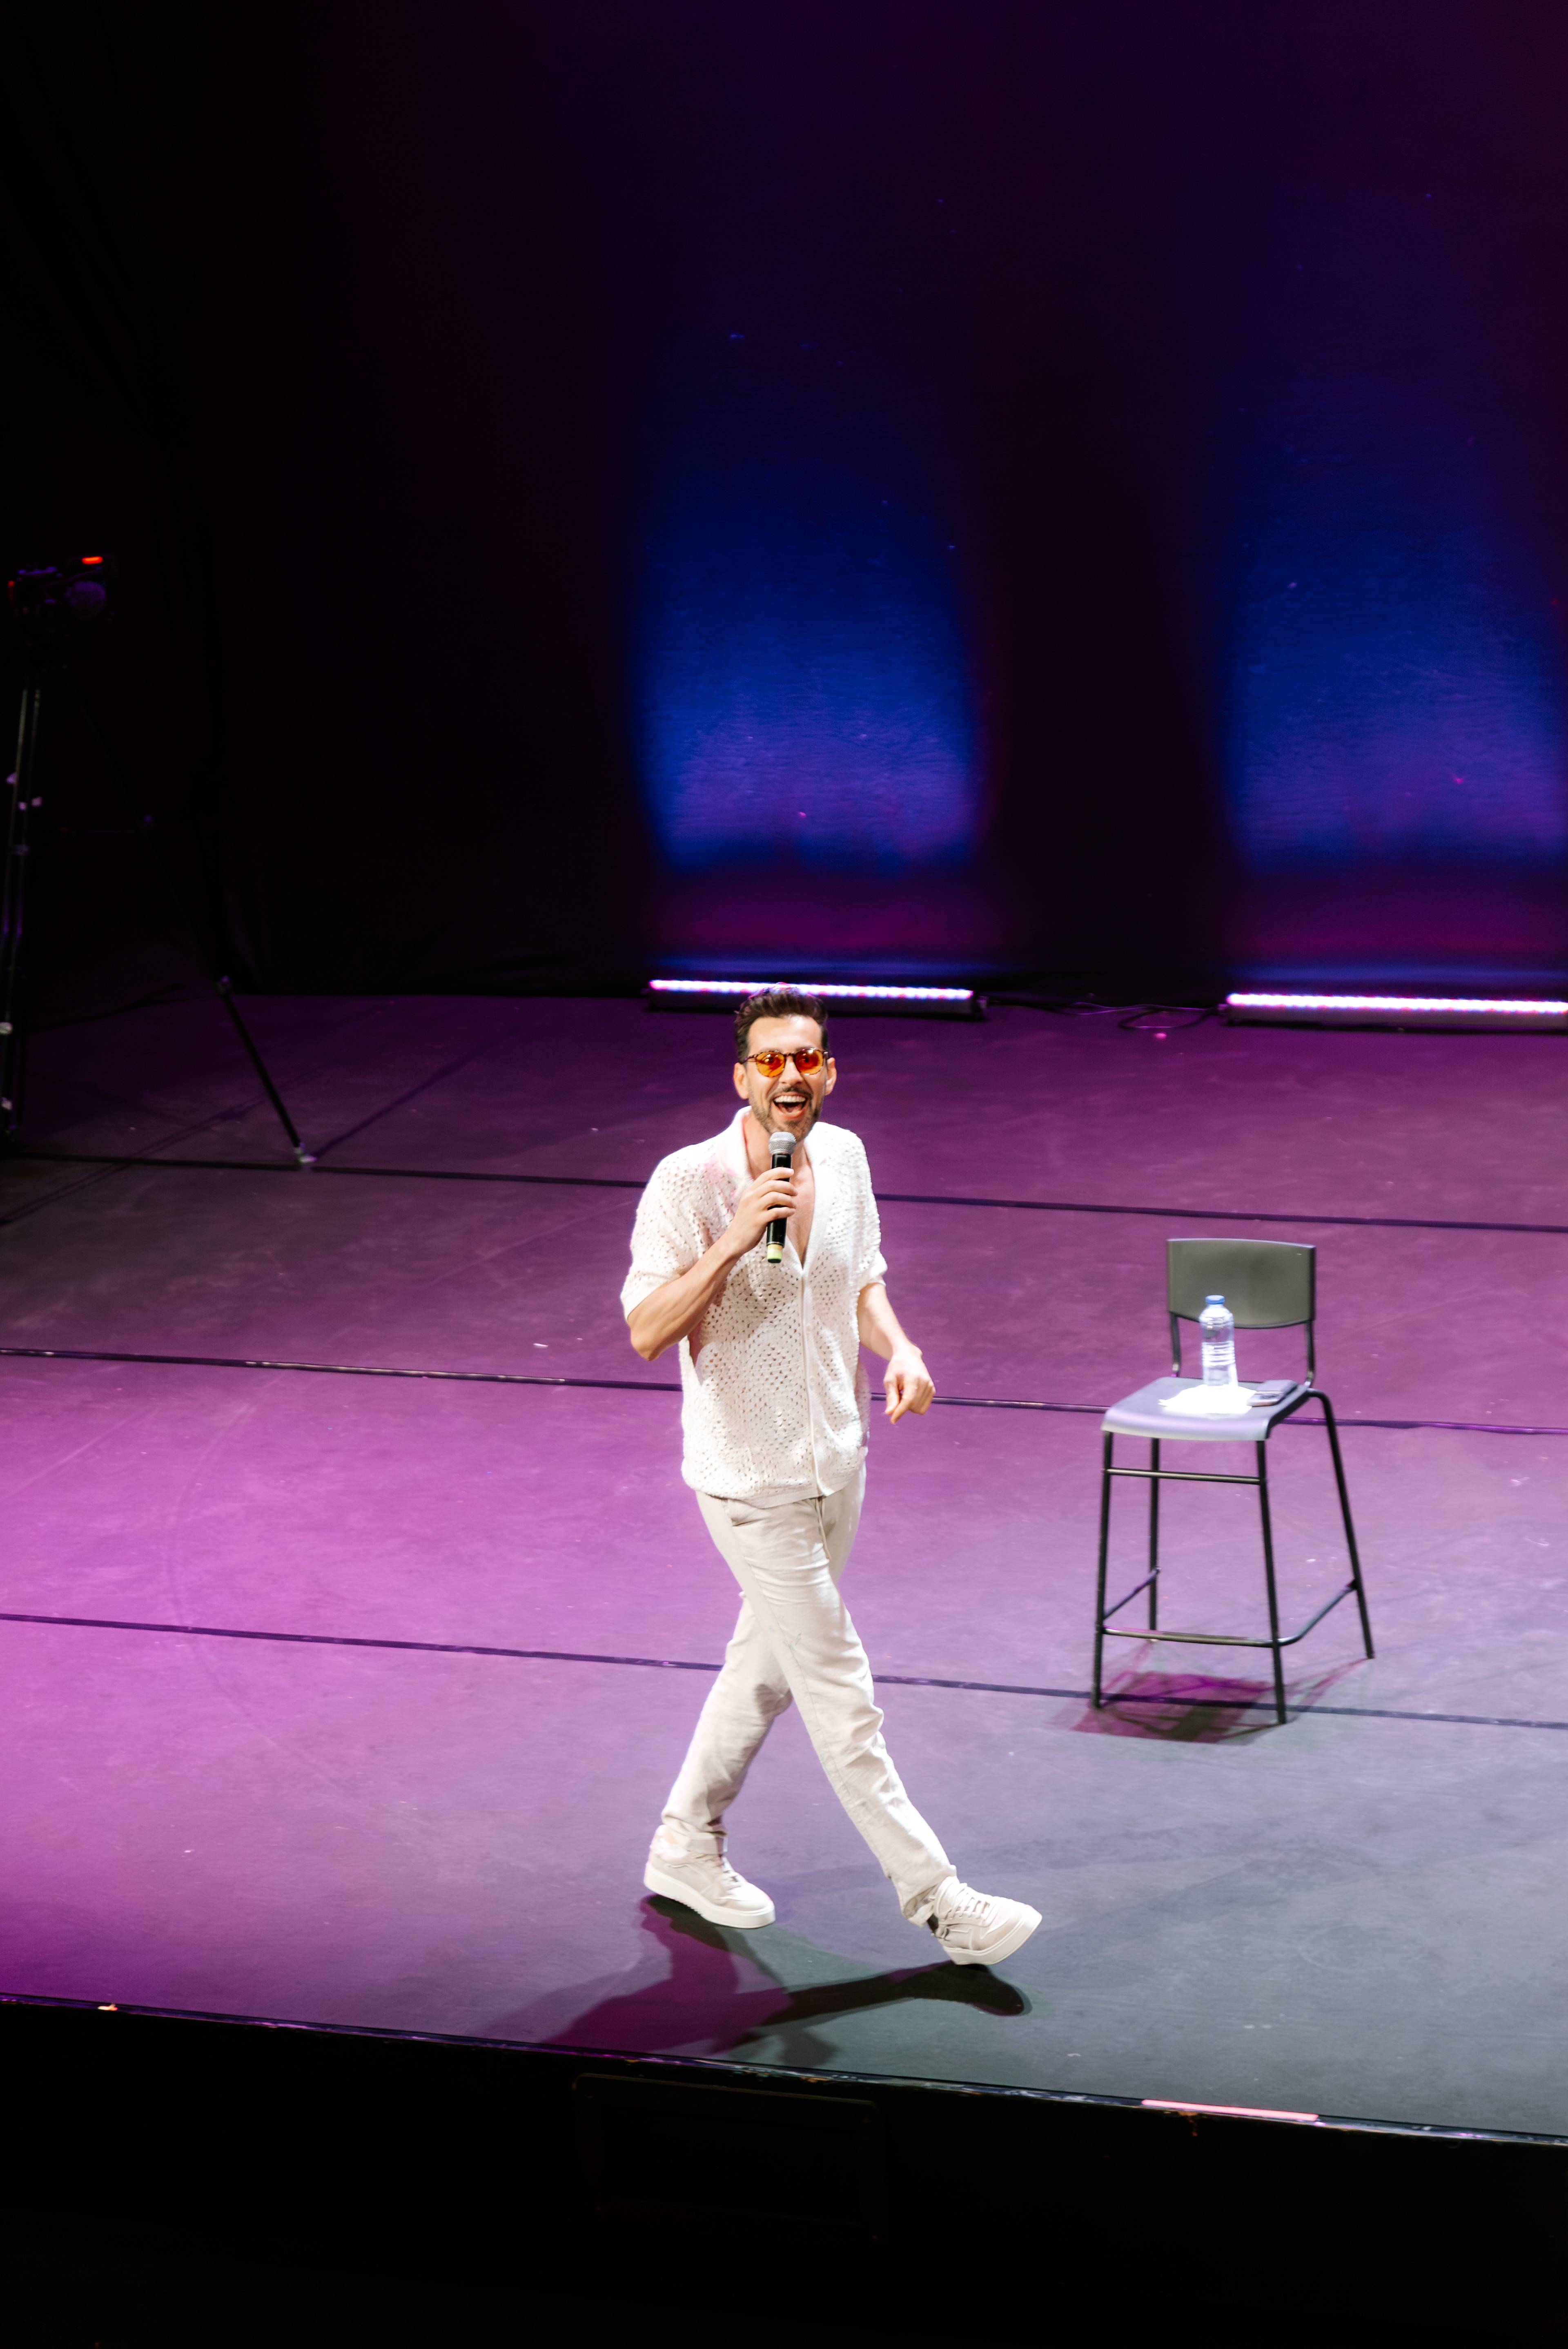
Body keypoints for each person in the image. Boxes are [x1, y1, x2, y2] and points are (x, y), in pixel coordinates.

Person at [621, 987, 1041, 1968]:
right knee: (839, 1688)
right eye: (770, 1060)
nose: (790, 1077)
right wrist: (731, 1238)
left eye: (806, 1058)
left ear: (829, 1070)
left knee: (762, 1673)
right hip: (748, 1481)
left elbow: (861, 1279)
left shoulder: (846, 1156)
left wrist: (900, 1346)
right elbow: (645, 1330)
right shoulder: (689, 1181)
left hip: (838, 1465)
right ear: (742, 1076)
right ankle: (939, 1900)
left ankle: (684, 1842)